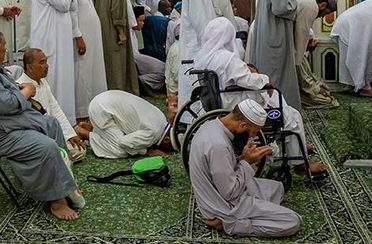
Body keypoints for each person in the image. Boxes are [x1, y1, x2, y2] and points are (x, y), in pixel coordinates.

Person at [0, 31, 83, 220]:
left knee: (52, 124)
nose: (6, 49)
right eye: (4, 45)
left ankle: (65, 183)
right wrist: (27, 91)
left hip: (4, 123)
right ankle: (58, 201)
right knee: (46, 146)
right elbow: (6, 104)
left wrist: (19, 91)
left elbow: (4, 94)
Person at [195, 18, 327, 176]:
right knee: (291, 115)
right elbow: (247, 79)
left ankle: (297, 145)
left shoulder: (205, 57)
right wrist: (265, 80)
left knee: (277, 99)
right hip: (237, 103)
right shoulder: (226, 58)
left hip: (222, 100)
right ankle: (299, 163)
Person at [188, 99, 301, 237]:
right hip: (224, 205)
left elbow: (223, 169)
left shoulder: (211, 125)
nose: (253, 137)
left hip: (223, 188)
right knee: (292, 221)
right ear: (242, 125)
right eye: (253, 132)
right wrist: (247, 162)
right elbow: (230, 193)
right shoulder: (219, 146)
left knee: (278, 188)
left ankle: (259, 213)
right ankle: (230, 224)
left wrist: (242, 158)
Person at [248, 0, 304, 110]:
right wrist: (294, 4)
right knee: (277, 75)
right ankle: (279, 111)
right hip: (275, 34)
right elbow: (280, 8)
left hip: (268, 31)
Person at [29, 0, 81, 124]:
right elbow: (64, 5)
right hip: (49, 42)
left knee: (64, 79)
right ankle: (52, 120)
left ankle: (66, 119)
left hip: (61, 42)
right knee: (53, 79)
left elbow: (72, 5)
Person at [17, 49, 87, 162]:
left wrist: (70, 135)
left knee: (79, 151)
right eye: (41, 63)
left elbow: (56, 109)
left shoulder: (43, 82)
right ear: (29, 67)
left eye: (46, 62)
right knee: (60, 154)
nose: (46, 66)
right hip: (36, 137)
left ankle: (57, 160)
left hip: (52, 132)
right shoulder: (21, 87)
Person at [75, 90, 174, 159]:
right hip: (102, 110)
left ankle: (93, 127)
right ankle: (84, 132)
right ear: (166, 140)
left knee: (125, 135)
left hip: (104, 100)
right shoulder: (153, 133)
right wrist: (147, 151)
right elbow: (124, 142)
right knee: (120, 150)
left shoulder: (161, 118)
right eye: (169, 148)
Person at [178, 0, 219, 107]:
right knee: (194, 82)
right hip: (196, 43)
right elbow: (199, 19)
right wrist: (210, 44)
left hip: (202, 42)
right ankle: (192, 118)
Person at [94, 0, 139, 94]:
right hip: (114, 32)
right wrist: (121, 32)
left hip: (104, 30)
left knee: (109, 62)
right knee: (118, 62)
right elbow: (117, 11)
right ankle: (121, 92)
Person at [71, 0, 108, 119]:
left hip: (91, 38)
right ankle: (82, 111)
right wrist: (78, 36)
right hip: (83, 37)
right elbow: (73, 15)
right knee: (83, 72)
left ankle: (95, 105)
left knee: (94, 70)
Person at [290, 0, 339, 109]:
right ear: (322, 5)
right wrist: (316, 89)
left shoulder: (307, 0)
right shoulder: (311, 7)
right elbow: (301, 33)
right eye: (326, 13)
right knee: (328, 101)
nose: (322, 17)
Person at [331, 0, 372, 97]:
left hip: (348, 24)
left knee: (360, 53)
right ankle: (362, 88)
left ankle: (356, 85)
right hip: (350, 25)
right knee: (360, 54)